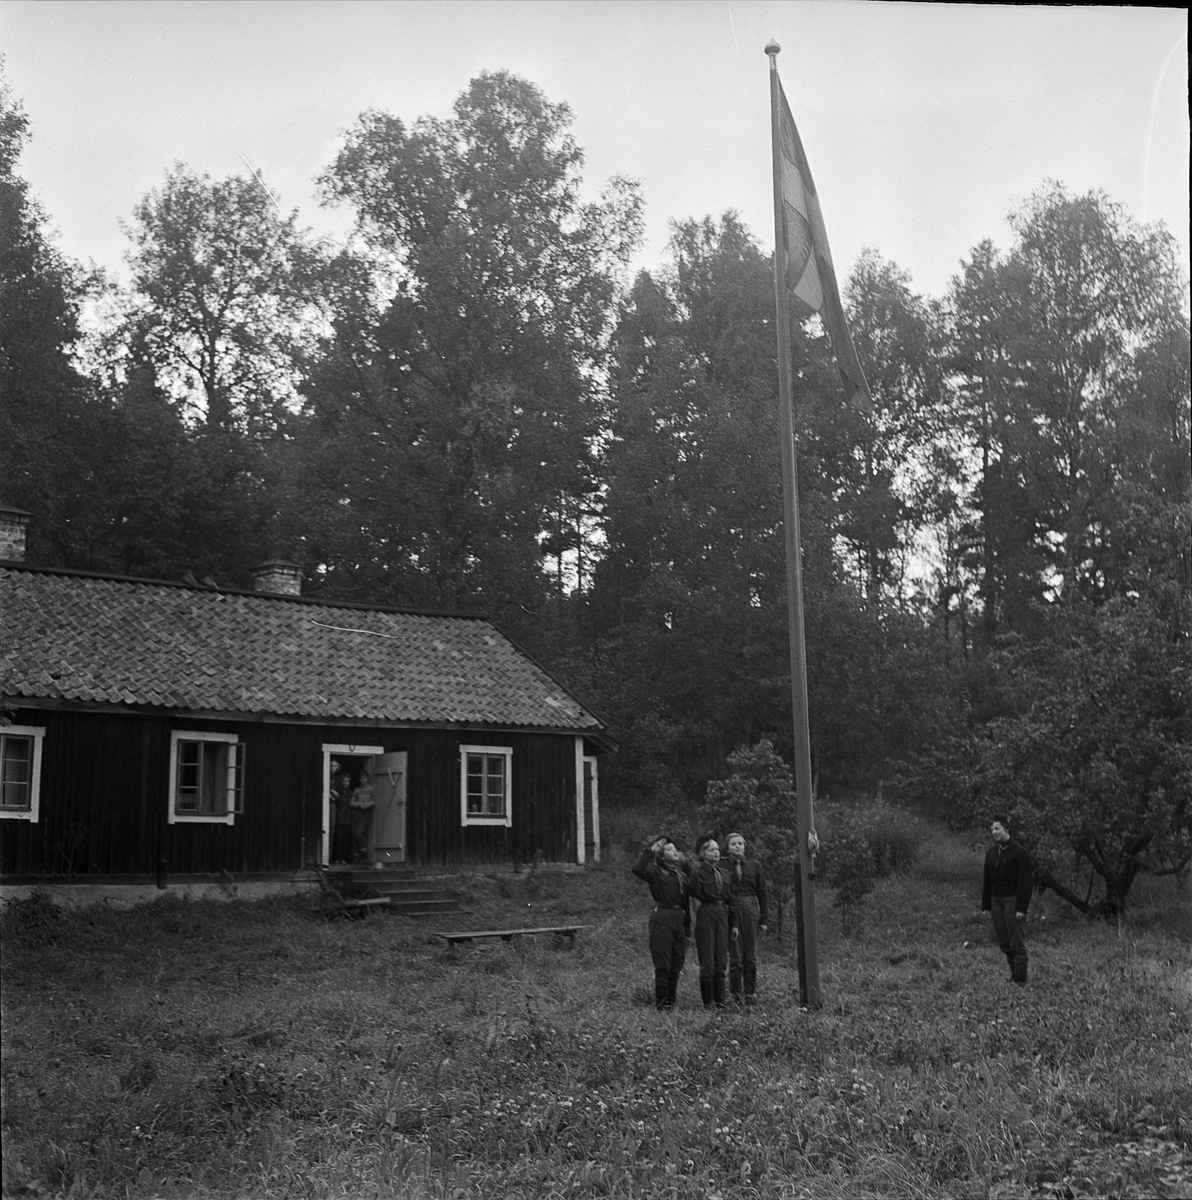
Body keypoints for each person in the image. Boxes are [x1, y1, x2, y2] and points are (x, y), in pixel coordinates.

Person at [631, 836, 692, 1010]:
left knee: (676, 963)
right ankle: (661, 1006)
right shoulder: (656, 872)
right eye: (669, 849)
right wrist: (651, 851)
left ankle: (671, 1004)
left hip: (679, 917)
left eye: (675, 849)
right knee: (663, 964)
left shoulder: (682, 875)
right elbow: (637, 869)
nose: (674, 851)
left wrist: (687, 930)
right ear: (662, 855)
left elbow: (686, 902)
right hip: (662, 917)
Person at [981, 816, 1033, 986]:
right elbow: (987, 881)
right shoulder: (991, 853)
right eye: (992, 829)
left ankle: (1020, 980)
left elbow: (1025, 883)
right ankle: (1013, 976)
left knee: (1016, 941)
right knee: (1004, 941)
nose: (994, 832)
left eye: (997, 828)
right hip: (996, 901)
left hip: (1013, 900)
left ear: (1007, 829)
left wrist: (1021, 908)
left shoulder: (1019, 852)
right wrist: (986, 906)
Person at [724, 832, 769, 1006]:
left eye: (741, 844)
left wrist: (764, 920)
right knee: (735, 955)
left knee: (750, 955)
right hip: (730, 909)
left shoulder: (754, 866)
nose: (738, 847)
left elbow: (763, 893)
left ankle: (750, 993)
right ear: (727, 847)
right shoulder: (721, 865)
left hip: (751, 909)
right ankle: (734, 993)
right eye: (734, 844)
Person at [690, 835, 734, 1009]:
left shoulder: (724, 873)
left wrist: (735, 923)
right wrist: (692, 872)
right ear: (702, 854)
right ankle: (708, 1004)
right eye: (711, 849)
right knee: (707, 961)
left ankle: (720, 1002)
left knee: (721, 960)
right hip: (707, 912)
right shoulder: (698, 872)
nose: (716, 852)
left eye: (717, 849)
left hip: (723, 913)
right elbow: (694, 892)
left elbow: (731, 899)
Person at [349, 768, 376, 864]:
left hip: (366, 813)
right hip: (357, 813)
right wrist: (359, 804)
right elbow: (351, 802)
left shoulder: (371, 789)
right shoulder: (357, 790)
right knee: (354, 834)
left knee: (358, 833)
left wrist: (368, 804)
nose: (363, 780)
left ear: (368, 779)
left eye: (365, 778)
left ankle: (364, 852)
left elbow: (375, 800)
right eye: (361, 779)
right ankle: (358, 855)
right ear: (359, 780)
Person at [329, 766, 355, 864]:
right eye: (344, 781)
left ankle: (343, 859)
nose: (345, 783)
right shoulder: (338, 791)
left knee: (345, 839)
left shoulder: (351, 792)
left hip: (348, 819)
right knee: (338, 838)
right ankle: (337, 858)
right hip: (339, 818)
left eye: (347, 781)